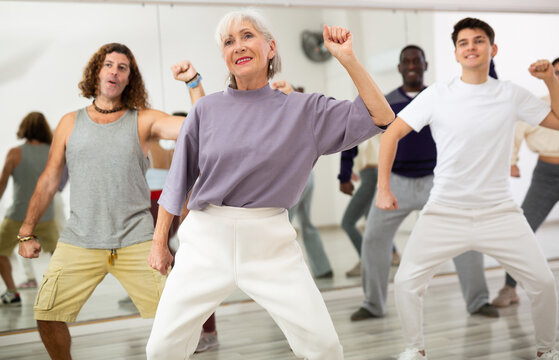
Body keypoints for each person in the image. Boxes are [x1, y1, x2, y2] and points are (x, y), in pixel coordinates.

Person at [145, 9, 394, 360]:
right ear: (224, 56)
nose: (238, 46)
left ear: (271, 47)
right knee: (161, 348)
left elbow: (381, 116)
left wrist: (347, 59)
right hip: (205, 239)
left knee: (324, 346)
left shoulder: (305, 110)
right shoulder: (206, 110)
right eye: (229, 41)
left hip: (270, 242)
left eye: (247, 35)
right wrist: (159, 243)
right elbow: (178, 179)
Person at [377, 18, 559, 360]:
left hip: (499, 212)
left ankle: (547, 349)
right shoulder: (438, 95)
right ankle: (414, 349)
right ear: (457, 53)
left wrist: (550, 80)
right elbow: (391, 134)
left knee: (544, 283)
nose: (471, 47)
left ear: (493, 49)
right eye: (464, 42)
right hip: (444, 211)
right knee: (405, 283)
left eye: (478, 40)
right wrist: (383, 188)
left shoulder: (510, 94)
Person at [17, 43, 203, 360]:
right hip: (80, 239)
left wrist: (193, 83)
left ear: (130, 79)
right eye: (108, 65)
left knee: (177, 314)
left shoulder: (142, 120)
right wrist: (26, 230)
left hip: (137, 240)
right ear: (96, 72)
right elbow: (49, 179)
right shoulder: (69, 123)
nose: (114, 71)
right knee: (46, 313)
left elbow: (196, 129)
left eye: (122, 67)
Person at [351, 45, 497, 322]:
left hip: (437, 182)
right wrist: (346, 173)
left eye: (416, 61)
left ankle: (478, 301)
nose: (411, 65)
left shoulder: (440, 98)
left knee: (466, 236)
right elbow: (359, 133)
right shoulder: (386, 101)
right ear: (399, 68)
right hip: (396, 183)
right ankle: (373, 304)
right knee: (373, 240)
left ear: (425, 64)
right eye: (406, 61)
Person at [492, 57, 559, 308]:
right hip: (546, 175)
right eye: (557, 72)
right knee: (523, 231)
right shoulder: (540, 106)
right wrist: (511, 161)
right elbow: (515, 132)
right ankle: (509, 288)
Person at [272, 80, 334, 279]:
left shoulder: (286, 122)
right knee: (306, 223)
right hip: (308, 177)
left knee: (282, 227)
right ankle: (322, 268)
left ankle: (284, 272)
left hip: (296, 180)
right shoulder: (303, 119)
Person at [0, 112, 59, 305]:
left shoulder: (15, 153)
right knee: (58, 255)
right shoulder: (53, 152)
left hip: (18, 216)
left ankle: (12, 292)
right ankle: (56, 293)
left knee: (1, 252)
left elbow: (2, 184)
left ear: (24, 128)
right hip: (46, 215)